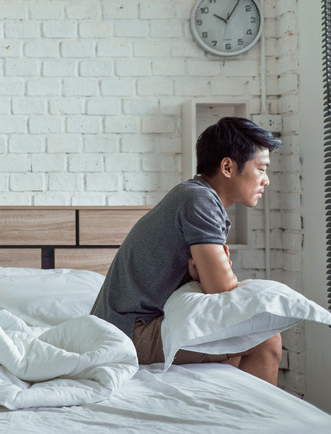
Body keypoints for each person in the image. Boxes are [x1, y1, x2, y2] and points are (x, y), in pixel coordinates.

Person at [91, 117, 284, 384]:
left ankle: (232, 417)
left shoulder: (193, 195)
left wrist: (201, 277)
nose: (266, 181)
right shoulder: (200, 200)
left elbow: (213, 285)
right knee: (265, 339)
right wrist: (208, 278)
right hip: (126, 333)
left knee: (234, 350)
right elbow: (221, 289)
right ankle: (265, 425)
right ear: (227, 166)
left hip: (118, 326)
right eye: (261, 169)